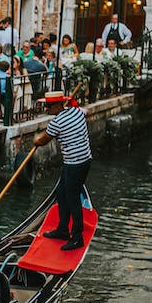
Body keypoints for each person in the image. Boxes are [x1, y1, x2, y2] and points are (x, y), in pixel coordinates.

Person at [34, 91, 92, 250]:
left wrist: (35, 140)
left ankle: (77, 237)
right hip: (82, 161)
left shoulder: (57, 123)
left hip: (76, 163)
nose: (46, 109)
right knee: (61, 193)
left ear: (58, 105)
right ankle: (62, 229)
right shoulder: (78, 112)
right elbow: (87, 112)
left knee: (72, 198)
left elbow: (42, 140)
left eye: (48, 106)